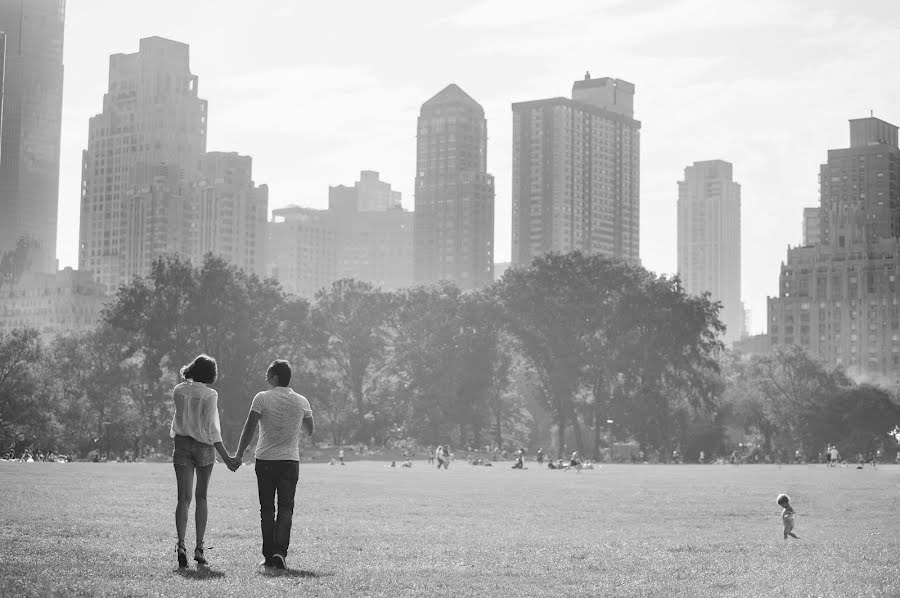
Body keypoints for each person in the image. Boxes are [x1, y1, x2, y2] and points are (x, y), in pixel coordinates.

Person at [235, 360, 314, 570]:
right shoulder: (302, 401)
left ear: (276, 377)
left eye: (268, 375)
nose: (265, 378)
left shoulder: (262, 398)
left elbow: (249, 427)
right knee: (286, 509)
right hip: (290, 461)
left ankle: (268, 555)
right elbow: (309, 430)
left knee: (267, 510)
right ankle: (280, 553)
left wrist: (239, 455)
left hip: (266, 460)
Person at [170, 354, 239, 568]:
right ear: (210, 373)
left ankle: (181, 545)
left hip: (181, 444)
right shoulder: (210, 394)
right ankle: (199, 548)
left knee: (183, 498)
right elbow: (211, 429)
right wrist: (227, 458)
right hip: (204, 448)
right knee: (201, 497)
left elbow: (181, 419)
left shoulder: (178, 390)